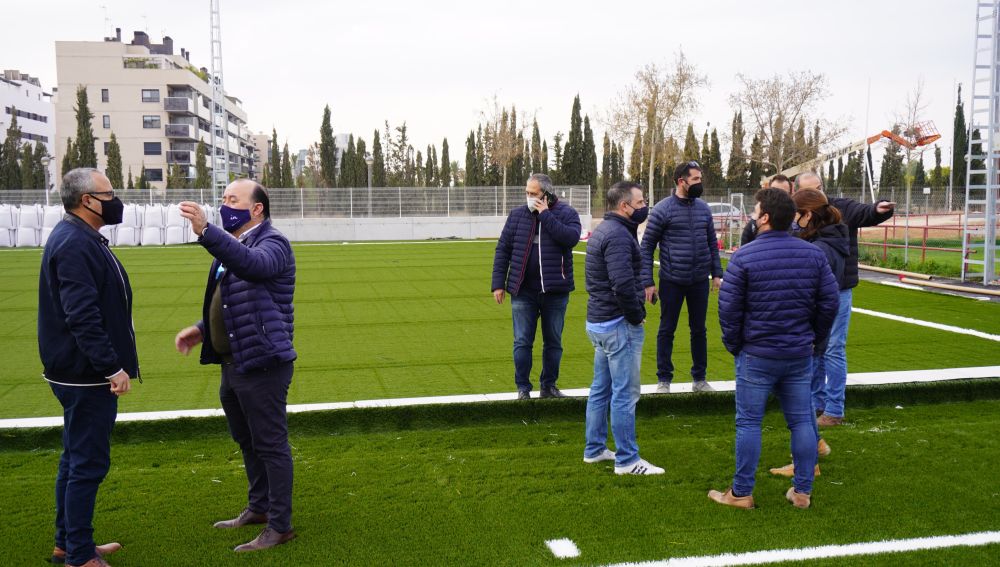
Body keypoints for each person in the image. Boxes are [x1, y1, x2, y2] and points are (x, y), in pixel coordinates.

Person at [174, 180, 297, 552]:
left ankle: (280, 526)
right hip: (235, 362)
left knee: (271, 445)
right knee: (247, 440)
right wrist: (201, 330)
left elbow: (254, 269)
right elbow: (230, 303)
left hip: (262, 361)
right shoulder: (235, 246)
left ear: (256, 209)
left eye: (233, 200)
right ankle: (259, 508)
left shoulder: (271, 244)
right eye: (223, 199)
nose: (225, 205)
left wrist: (207, 231)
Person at [709, 188, 839, 510]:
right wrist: (814, 341)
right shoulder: (813, 255)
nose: (753, 215)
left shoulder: (744, 256)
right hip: (797, 354)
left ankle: (741, 493)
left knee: (749, 423)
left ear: (765, 217)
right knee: (801, 423)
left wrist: (736, 346)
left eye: (755, 211)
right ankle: (802, 492)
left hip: (758, 355)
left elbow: (728, 309)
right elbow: (830, 302)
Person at [38, 168, 137, 567]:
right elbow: (82, 316)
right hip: (85, 375)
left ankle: (68, 542)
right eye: (108, 193)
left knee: (74, 457)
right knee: (87, 463)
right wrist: (111, 368)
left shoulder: (80, 237)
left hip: (77, 371)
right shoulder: (75, 244)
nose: (116, 199)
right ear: (87, 201)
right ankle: (78, 554)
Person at [795, 172, 895, 426]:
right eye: (812, 191)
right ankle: (816, 404)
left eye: (819, 188)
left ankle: (834, 409)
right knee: (813, 349)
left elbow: (866, 213)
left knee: (833, 348)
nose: (819, 195)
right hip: (811, 295)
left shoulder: (841, 208)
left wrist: (878, 209)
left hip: (839, 290)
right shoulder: (799, 217)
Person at [583, 182, 664, 475]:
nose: (645, 206)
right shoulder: (617, 235)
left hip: (600, 322)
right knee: (624, 394)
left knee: (601, 389)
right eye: (641, 201)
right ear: (624, 206)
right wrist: (636, 315)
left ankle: (594, 449)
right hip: (616, 324)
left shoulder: (606, 230)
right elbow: (621, 284)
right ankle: (628, 460)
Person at [769, 188, 849, 478]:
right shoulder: (826, 240)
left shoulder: (821, 250)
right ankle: (814, 446)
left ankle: (806, 464)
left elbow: (816, 297)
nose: (792, 221)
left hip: (807, 336)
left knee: (800, 404)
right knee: (803, 400)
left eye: (796, 215)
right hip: (812, 335)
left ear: (808, 215)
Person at [491, 173, 581, 399]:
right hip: (523, 291)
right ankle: (523, 388)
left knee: (553, 341)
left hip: (555, 292)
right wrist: (498, 284)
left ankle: (548, 386)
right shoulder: (517, 216)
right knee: (522, 341)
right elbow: (503, 249)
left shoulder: (567, 213)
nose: (529, 197)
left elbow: (571, 238)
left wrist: (546, 215)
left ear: (547, 194)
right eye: (527, 193)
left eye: (534, 193)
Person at [640, 161, 722, 394]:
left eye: (700, 178)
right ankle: (664, 380)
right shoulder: (663, 210)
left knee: (699, 330)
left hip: (699, 281)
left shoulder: (704, 209)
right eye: (695, 179)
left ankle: (699, 378)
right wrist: (648, 281)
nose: (700, 183)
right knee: (667, 329)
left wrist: (717, 273)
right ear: (681, 182)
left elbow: (712, 245)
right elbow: (646, 247)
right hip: (671, 280)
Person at [740, 174, 792, 246]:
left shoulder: (798, 220)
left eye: (784, 193)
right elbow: (744, 246)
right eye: (774, 191)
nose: (779, 196)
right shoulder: (755, 221)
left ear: (791, 194)